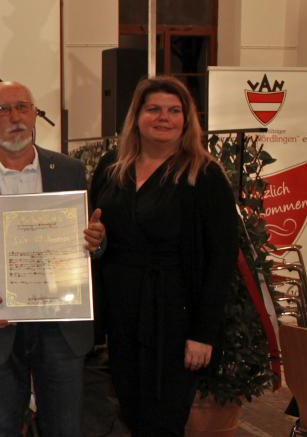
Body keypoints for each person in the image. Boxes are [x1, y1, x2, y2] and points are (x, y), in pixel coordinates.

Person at [0, 82, 103, 436]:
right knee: (2, 429)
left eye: (22, 107)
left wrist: (96, 240)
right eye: (3, 110)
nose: (15, 118)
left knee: (65, 427)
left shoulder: (70, 170)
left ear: (34, 114)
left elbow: (89, 240)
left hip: (62, 324)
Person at [89, 75, 238, 435]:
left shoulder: (205, 175)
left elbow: (222, 260)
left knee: (164, 421)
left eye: (174, 110)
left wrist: (203, 334)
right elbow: (95, 232)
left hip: (176, 317)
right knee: (133, 415)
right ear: (136, 115)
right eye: (153, 108)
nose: (164, 117)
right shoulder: (112, 168)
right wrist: (96, 240)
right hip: (123, 314)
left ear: (186, 120)